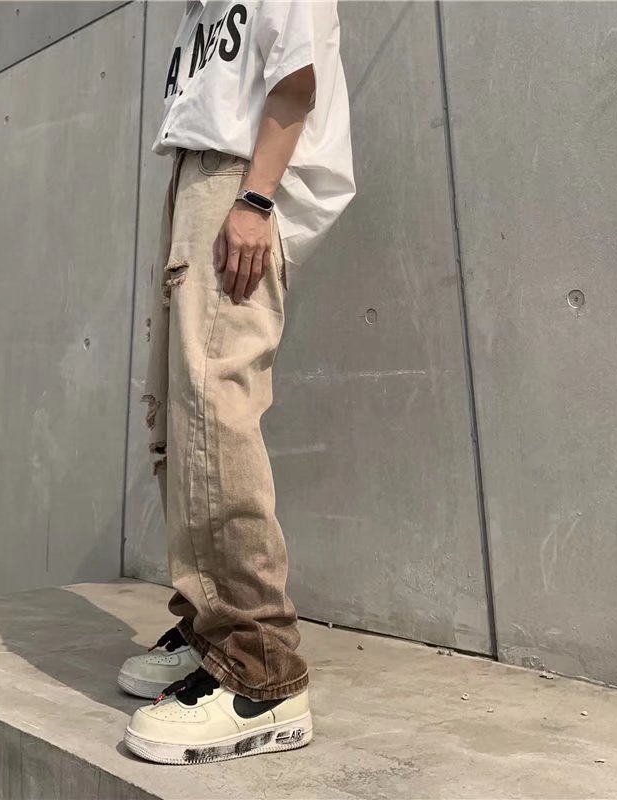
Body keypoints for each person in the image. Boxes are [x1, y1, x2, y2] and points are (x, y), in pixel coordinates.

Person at [119, 0, 355, 764]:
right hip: (196, 179)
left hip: (237, 181)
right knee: (180, 421)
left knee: (215, 416)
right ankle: (209, 630)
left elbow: (295, 80)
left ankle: (261, 673)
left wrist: (255, 199)